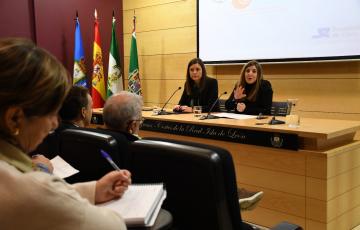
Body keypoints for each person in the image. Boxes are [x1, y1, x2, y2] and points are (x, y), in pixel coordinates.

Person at [0, 38, 130, 230]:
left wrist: (94, 190)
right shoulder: (26, 188)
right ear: (14, 119)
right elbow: (113, 226)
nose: (55, 123)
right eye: (51, 112)